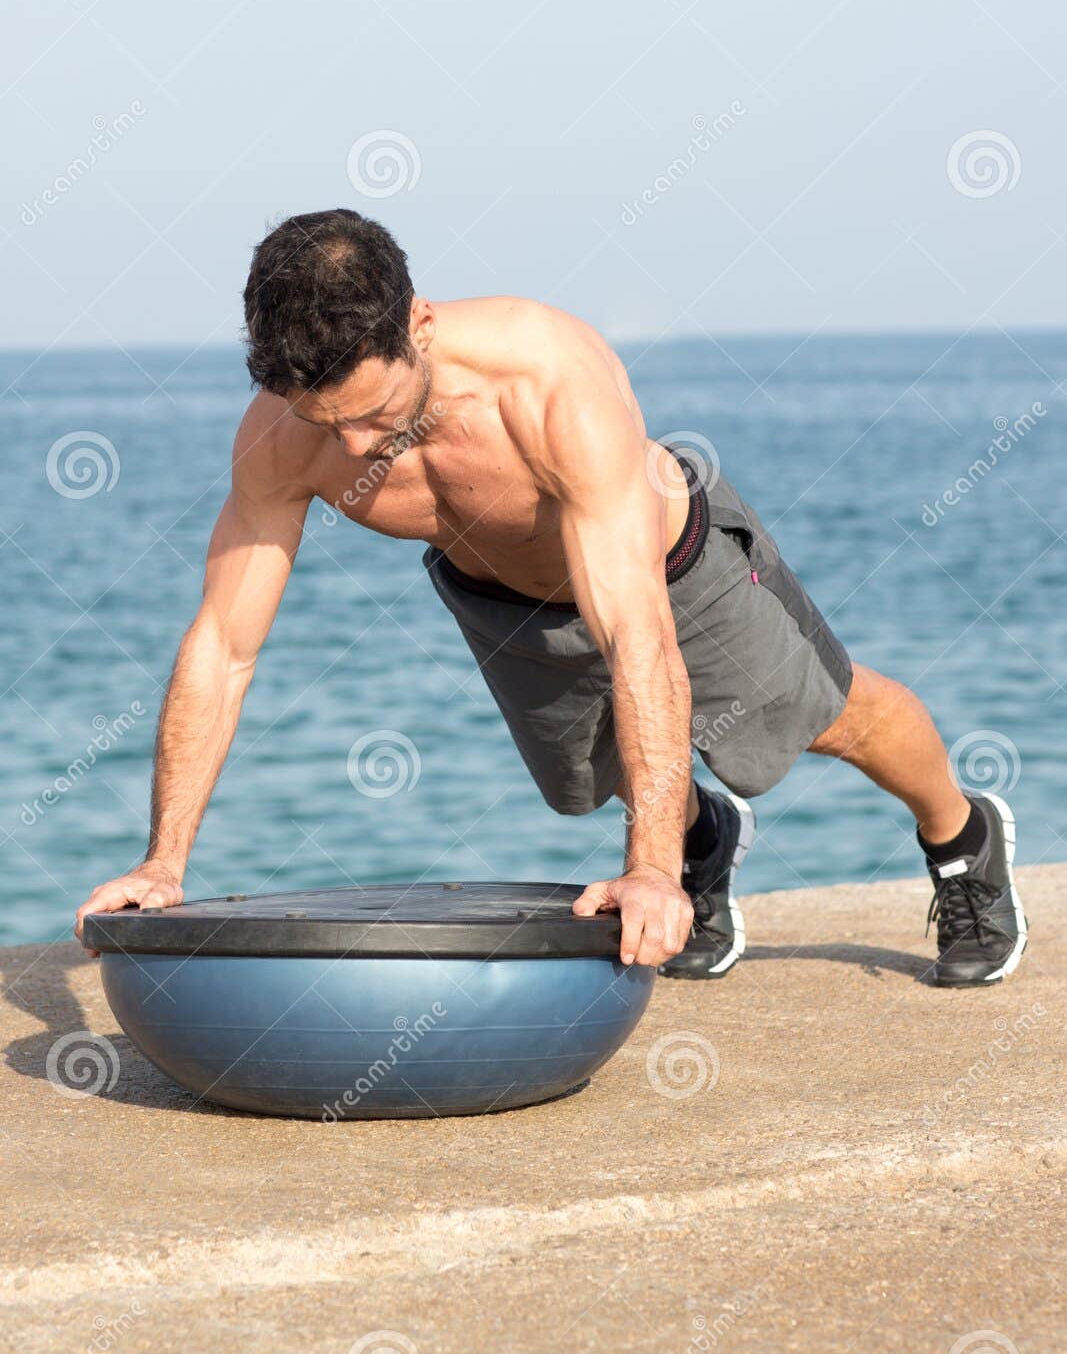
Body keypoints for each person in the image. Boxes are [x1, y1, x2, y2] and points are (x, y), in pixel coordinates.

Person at [76, 210, 1028, 985]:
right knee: (597, 779)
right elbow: (224, 646)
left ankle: (961, 839)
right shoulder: (284, 433)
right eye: (332, 423)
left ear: (420, 326)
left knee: (833, 718)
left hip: (666, 576)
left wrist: (645, 873)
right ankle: (704, 841)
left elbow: (638, 638)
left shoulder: (547, 382)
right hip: (504, 602)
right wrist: (165, 864)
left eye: (371, 415)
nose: (356, 449)